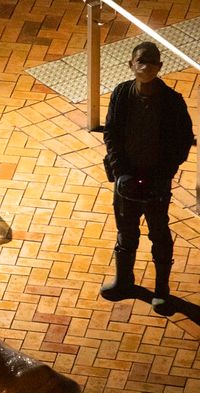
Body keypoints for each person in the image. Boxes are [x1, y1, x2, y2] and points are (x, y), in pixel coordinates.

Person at [100, 41, 194, 316]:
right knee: (126, 232)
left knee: (159, 233)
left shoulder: (173, 101)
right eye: (141, 60)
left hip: (157, 182)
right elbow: (112, 134)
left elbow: (182, 142)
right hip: (126, 181)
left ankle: (162, 291)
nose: (146, 66)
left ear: (160, 67)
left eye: (152, 61)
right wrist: (121, 172)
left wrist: (163, 175)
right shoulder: (121, 93)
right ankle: (125, 281)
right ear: (131, 65)